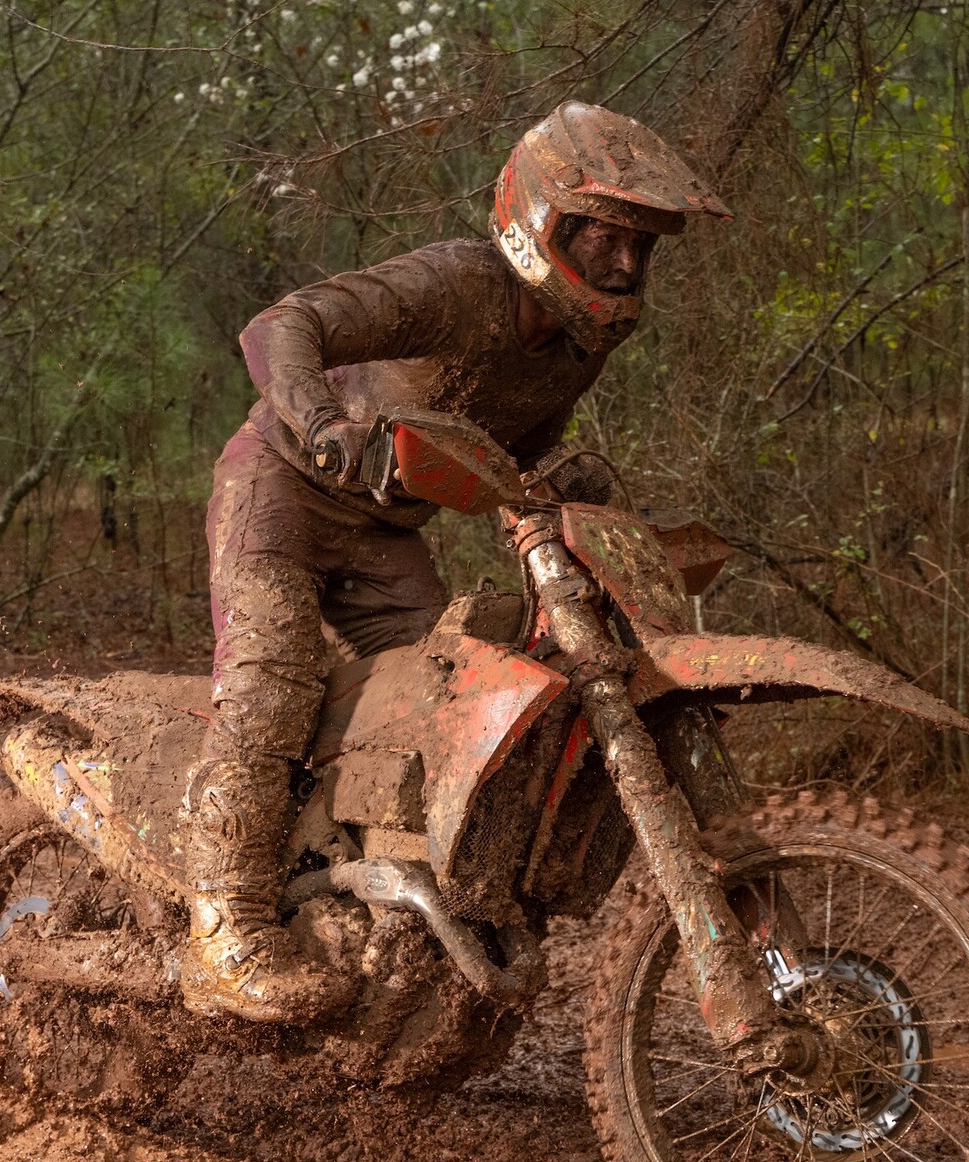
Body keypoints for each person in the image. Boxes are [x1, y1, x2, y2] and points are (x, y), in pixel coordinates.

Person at [180, 101, 730, 1024]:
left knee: (447, 696)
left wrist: (564, 506)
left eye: (643, 246)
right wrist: (322, 426)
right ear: (543, 218)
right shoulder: (454, 285)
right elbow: (283, 324)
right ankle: (222, 926)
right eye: (606, 237)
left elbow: (506, 460)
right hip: (278, 487)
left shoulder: (575, 350)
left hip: (386, 535)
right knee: (273, 681)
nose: (627, 264)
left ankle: (356, 891)